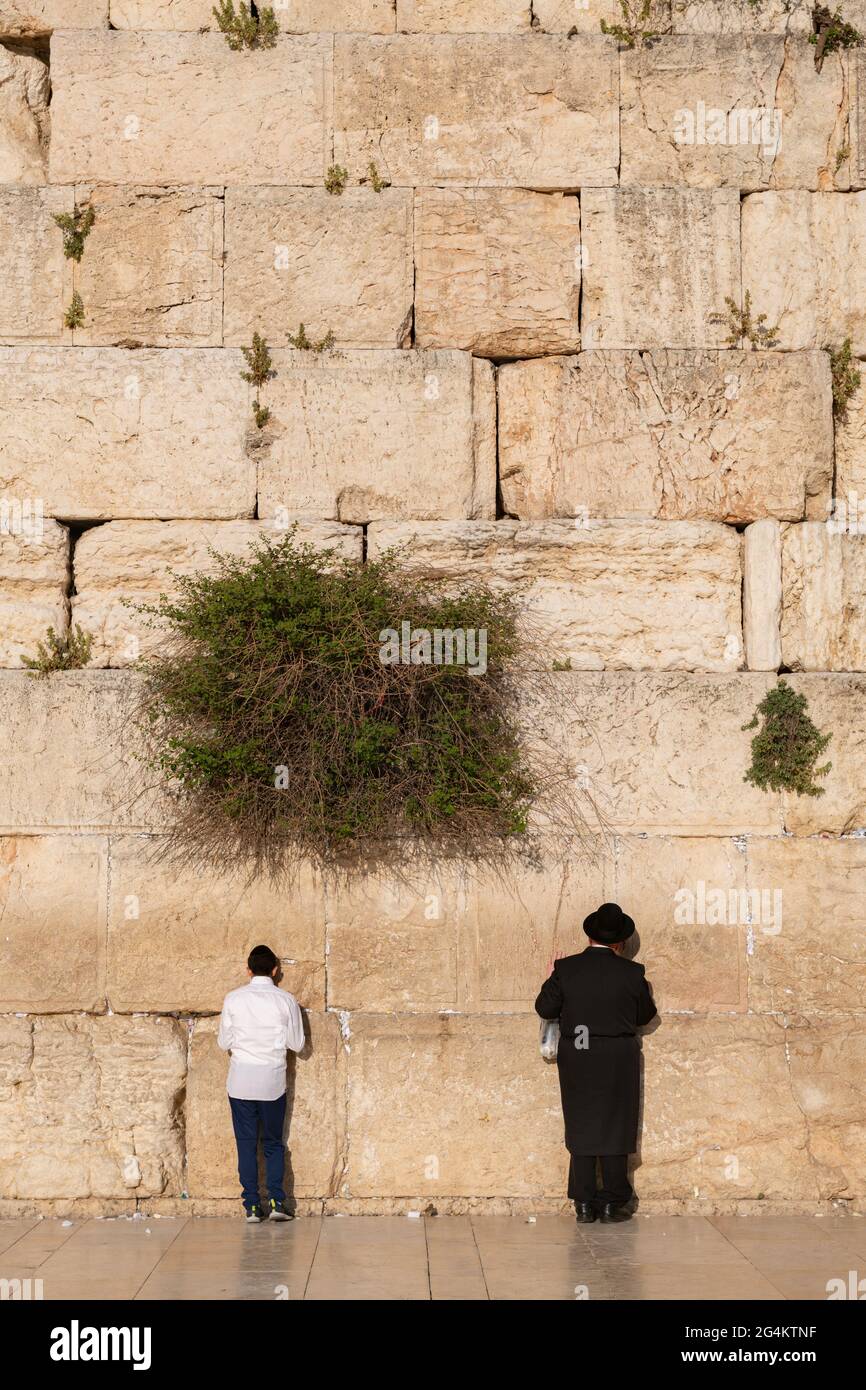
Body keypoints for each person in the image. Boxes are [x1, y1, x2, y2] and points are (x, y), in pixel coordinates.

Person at [535, 902, 657, 1225]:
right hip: (618, 1055)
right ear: (619, 942)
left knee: (582, 1122)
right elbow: (645, 1015)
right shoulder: (633, 973)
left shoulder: (567, 969)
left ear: (590, 936)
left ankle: (584, 1203)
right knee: (617, 1124)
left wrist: (552, 978)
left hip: (579, 1051)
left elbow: (545, 1007)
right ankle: (612, 1203)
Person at [218, 944, 305, 1223]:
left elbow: (224, 1042)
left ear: (248, 969)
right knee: (273, 1143)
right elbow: (298, 1044)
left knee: (245, 1143)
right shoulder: (286, 1000)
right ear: (275, 971)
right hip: (272, 1082)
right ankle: (278, 1202)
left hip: (241, 1082)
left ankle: (252, 1207)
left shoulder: (233, 999)